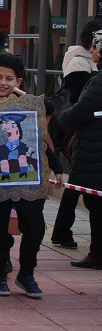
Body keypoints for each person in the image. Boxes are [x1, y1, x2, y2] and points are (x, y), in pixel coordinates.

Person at [0, 53, 63, 298]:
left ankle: (26, 273)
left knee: (35, 226)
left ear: (19, 81)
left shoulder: (31, 106)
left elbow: (42, 135)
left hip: (30, 181)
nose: (3, 83)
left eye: (9, 79)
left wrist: (58, 167)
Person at [51, 20, 102, 250]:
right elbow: (82, 104)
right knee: (82, 188)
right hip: (81, 134)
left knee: (84, 188)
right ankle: (63, 232)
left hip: (89, 138)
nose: (93, 51)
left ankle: (66, 234)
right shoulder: (80, 64)